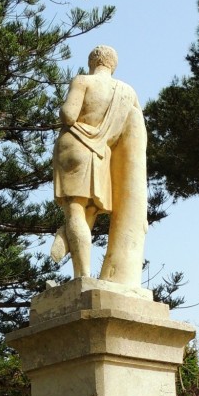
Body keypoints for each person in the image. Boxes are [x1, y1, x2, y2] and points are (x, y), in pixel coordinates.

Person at [51, 46, 147, 287]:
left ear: (92, 62)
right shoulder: (128, 92)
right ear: (113, 65)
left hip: (75, 145)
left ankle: (81, 276)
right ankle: (66, 235)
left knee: (75, 208)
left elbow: (69, 115)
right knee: (90, 209)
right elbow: (136, 127)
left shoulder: (83, 81)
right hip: (102, 152)